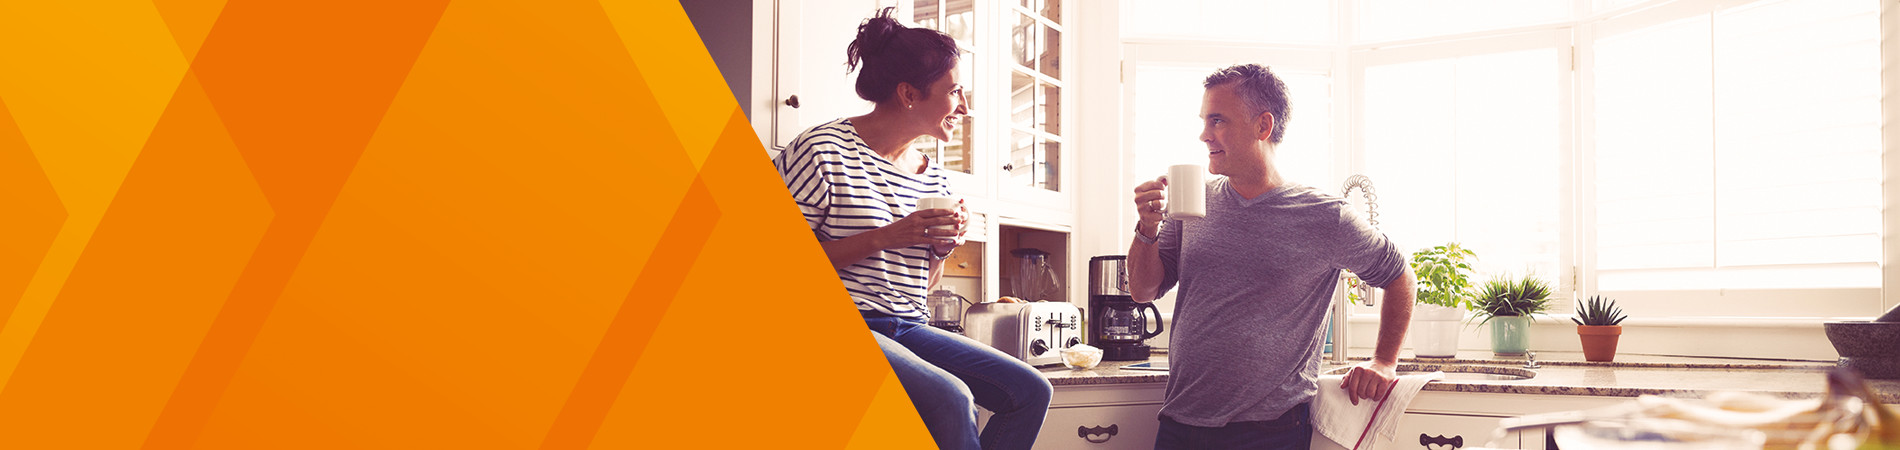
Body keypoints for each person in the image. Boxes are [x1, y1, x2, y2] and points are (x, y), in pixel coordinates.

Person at [772, 8, 1050, 450]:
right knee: (953, 398)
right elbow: (773, 263)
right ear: (908, 93)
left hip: (907, 326)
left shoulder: (934, 177)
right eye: (955, 91)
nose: (965, 106)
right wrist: (889, 235)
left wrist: (941, 249)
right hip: (835, 324)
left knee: (1031, 391)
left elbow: (923, 286)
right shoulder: (821, 150)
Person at [1126, 64, 1417, 450]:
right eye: (1204, 121)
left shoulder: (1326, 215)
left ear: (1263, 126)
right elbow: (1143, 291)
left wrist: (1384, 361)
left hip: (1269, 431)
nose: (1203, 134)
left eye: (1217, 121)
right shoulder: (1193, 201)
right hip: (1181, 420)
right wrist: (1147, 228)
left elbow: (1400, 276)